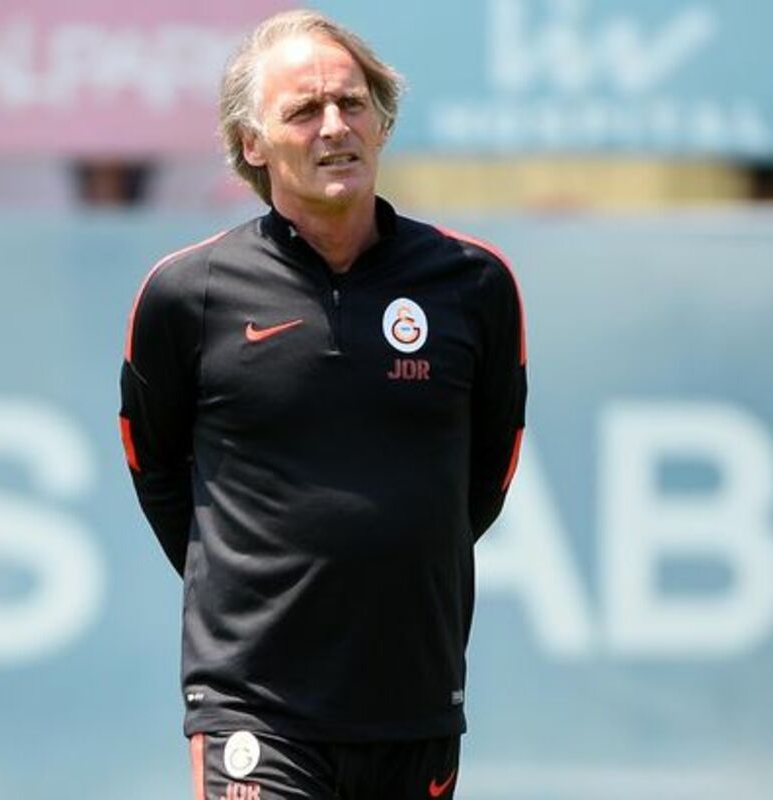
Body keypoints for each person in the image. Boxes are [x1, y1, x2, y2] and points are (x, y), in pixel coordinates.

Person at [118, 9, 527, 800]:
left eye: (352, 103)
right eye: (304, 110)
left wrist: (394, 563)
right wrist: (250, 590)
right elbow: (158, 473)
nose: (335, 126)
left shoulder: (474, 285)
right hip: (252, 708)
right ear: (253, 143)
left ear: (383, 121)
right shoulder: (188, 294)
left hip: (414, 700)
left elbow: (486, 477)